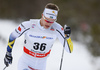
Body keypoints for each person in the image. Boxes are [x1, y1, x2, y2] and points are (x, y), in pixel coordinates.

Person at [4, 3, 73, 70]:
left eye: (52, 21)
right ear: (42, 15)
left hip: (41, 66)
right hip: (25, 64)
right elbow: (12, 36)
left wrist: (67, 37)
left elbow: (69, 50)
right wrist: (8, 53)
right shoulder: (28, 25)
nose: (49, 24)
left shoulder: (57, 28)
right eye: (47, 20)